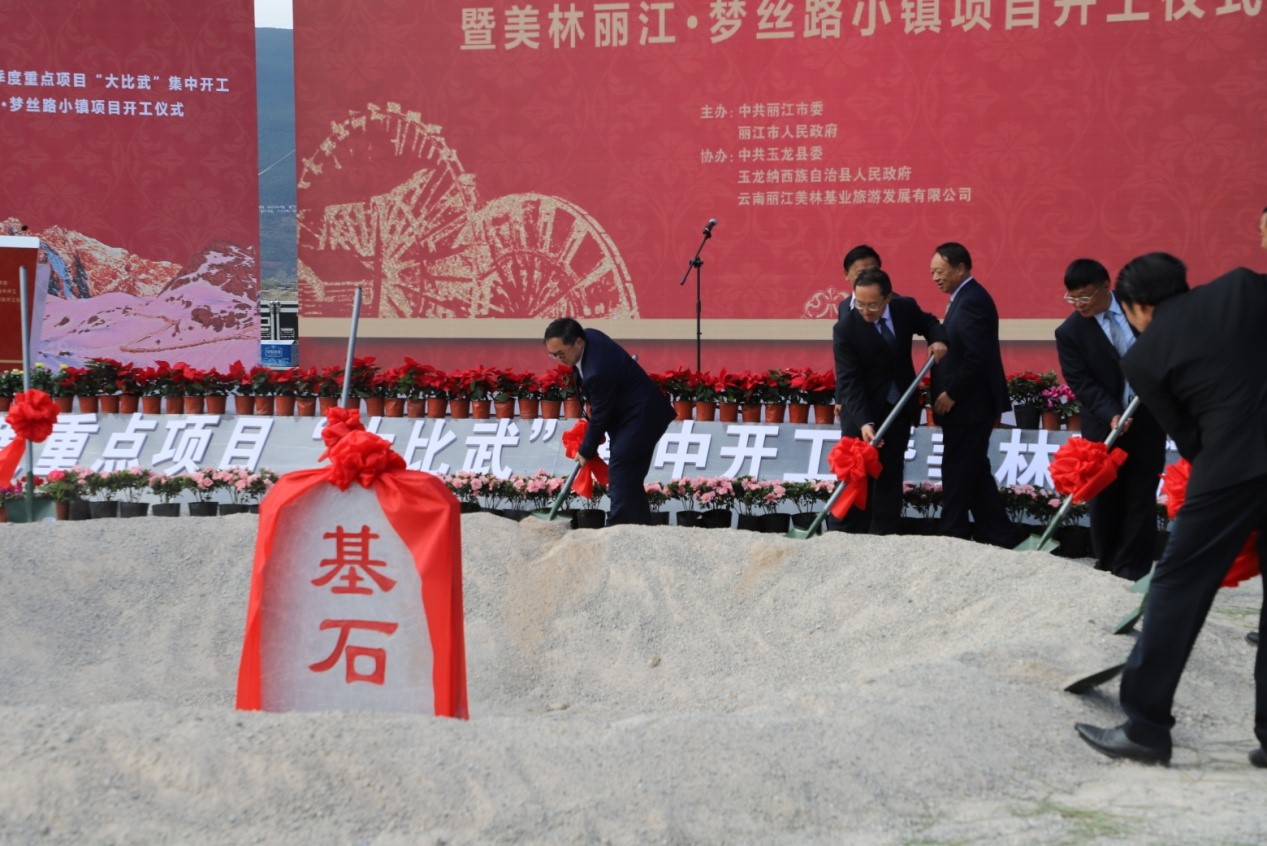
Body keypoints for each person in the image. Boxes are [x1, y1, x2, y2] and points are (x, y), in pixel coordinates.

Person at [1074, 253, 1267, 768]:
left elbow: (1190, 439)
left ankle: (1145, 727)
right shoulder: (1243, 286)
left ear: (1136, 306)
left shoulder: (1143, 358)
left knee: (1178, 587)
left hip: (1229, 466)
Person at [1054, 259, 1166, 581]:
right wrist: (1111, 413)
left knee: (1140, 494)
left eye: (1085, 296)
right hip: (1104, 424)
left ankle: (1132, 568)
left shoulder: (1141, 310)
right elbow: (1081, 381)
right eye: (1073, 298)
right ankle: (1107, 563)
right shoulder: (1070, 332)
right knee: (1104, 496)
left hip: (1147, 419)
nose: (1080, 304)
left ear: (1106, 286)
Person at [832, 267, 946, 534]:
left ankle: (884, 535)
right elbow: (850, 382)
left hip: (898, 408)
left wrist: (938, 339)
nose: (866, 311)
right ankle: (844, 536)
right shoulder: (846, 329)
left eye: (872, 305)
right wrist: (865, 422)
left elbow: (929, 322)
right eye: (860, 303)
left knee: (890, 474)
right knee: (857, 477)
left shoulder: (904, 308)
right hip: (863, 412)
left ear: (888, 297)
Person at [542, 317, 676, 526]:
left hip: (641, 417)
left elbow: (601, 416)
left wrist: (586, 450)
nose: (559, 359)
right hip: (628, 414)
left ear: (578, 342)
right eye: (554, 355)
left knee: (621, 472)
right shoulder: (589, 336)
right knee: (630, 479)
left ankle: (616, 531)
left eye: (561, 353)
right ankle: (641, 530)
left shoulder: (596, 371)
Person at [927, 242, 1017, 547]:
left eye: (940, 271)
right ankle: (1000, 535)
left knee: (957, 469)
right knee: (974, 470)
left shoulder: (972, 300)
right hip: (967, 405)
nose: (935, 278)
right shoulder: (963, 298)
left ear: (960, 268)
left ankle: (951, 533)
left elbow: (976, 357)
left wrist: (952, 392)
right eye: (932, 272)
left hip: (969, 405)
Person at [836, 244, 882, 319]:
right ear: (846, 274)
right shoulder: (844, 306)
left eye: (873, 272)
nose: (868, 277)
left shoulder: (897, 304)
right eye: (861, 273)